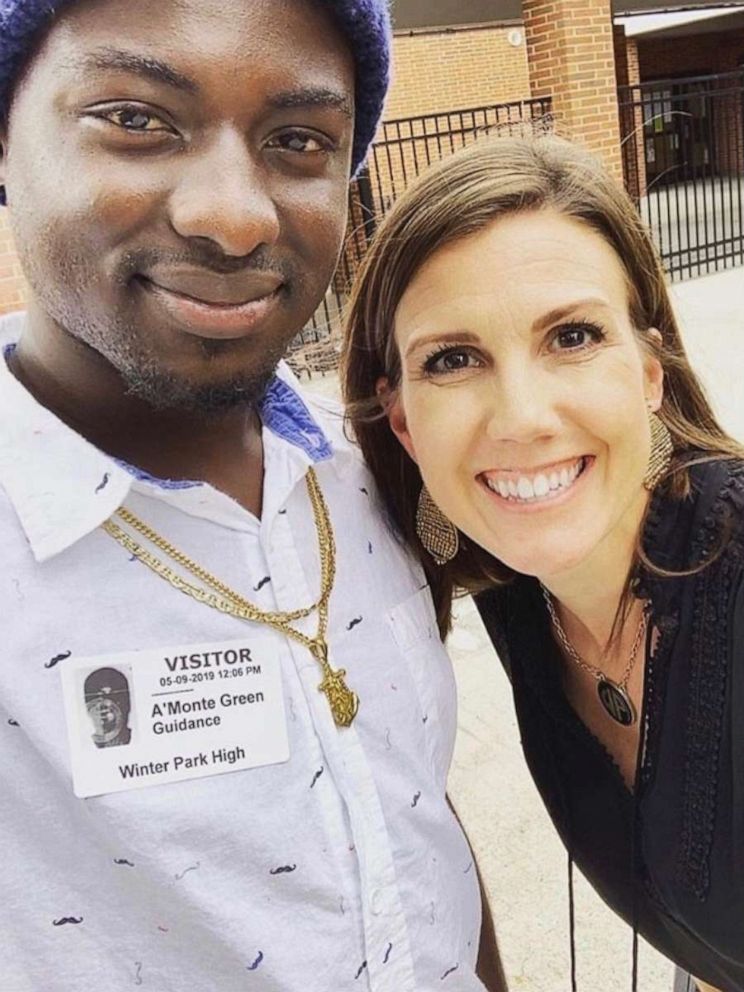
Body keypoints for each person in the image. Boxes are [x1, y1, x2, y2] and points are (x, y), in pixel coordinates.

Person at [0, 2, 506, 989]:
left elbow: (410, 816)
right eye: (137, 119)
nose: (234, 213)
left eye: (298, 141)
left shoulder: (367, 475)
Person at [342, 134, 744, 992]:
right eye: (452, 359)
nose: (521, 417)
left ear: (648, 371)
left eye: (571, 336)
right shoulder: (510, 583)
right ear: (403, 420)